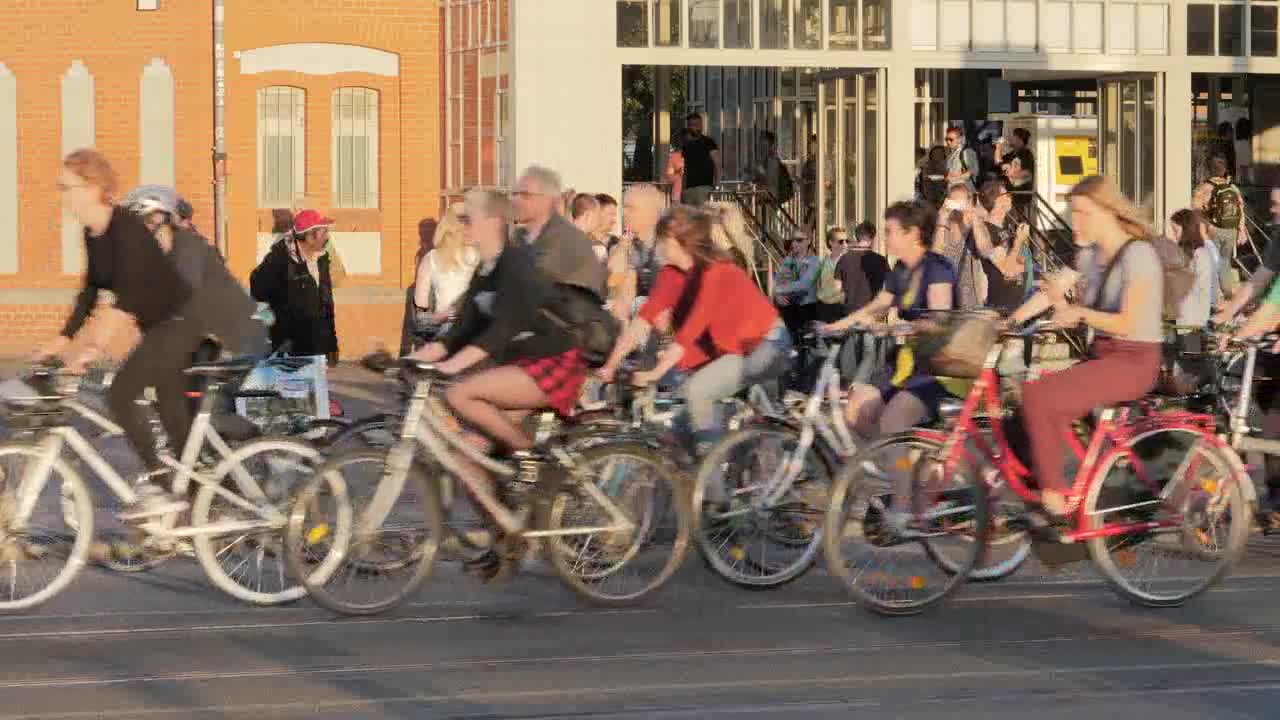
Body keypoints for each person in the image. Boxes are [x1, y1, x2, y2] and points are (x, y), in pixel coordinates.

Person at [411, 189, 588, 578]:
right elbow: (460, 332)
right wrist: (412, 360)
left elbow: (502, 329)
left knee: (461, 391)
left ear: (493, 221)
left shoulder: (515, 266)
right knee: (465, 457)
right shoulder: (486, 270)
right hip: (519, 369)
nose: (463, 225)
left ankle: (527, 455)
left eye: (468, 217)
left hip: (552, 361)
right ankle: (506, 536)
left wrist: (451, 366)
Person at [35, 150, 195, 516]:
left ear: (94, 187)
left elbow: (130, 295)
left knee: (122, 392)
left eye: (67, 187)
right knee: (176, 427)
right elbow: (92, 289)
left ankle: (161, 487)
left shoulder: (125, 228)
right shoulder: (94, 233)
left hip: (180, 324)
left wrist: (90, 347)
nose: (63, 196)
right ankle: (208, 500)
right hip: (156, 327)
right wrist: (62, 339)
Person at [1011, 175, 1164, 517]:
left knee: (1039, 396)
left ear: (1106, 212)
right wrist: (1008, 323)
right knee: (1027, 407)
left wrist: (1080, 313)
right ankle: (1073, 490)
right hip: (1102, 357)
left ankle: (1054, 500)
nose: (1074, 221)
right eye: (1072, 212)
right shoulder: (1088, 257)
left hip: (1134, 362)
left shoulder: (1138, 255)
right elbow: (1049, 294)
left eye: (1082, 213)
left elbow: (1128, 322)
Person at [631, 207, 791, 505]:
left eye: (664, 241)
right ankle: (718, 490)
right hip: (740, 350)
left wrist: (655, 371)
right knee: (685, 421)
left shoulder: (716, 272)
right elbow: (659, 317)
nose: (660, 248)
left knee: (699, 392)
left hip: (766, 346)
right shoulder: (691, 274)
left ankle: (717, 492)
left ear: (680, 242)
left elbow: (692, 328)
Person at [820, 200, 958, 441]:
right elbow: (878, 305)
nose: (885, 238)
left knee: (892, 423)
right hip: (903, 364)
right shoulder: (902, 268)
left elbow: (941, 323)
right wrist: (834, 326)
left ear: (913, 234)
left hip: (936, 370)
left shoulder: (937, 268)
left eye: (890, 231)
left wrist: (896, 328)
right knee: (854, 410)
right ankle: (891, 464)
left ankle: (902, 468)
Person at [250, 209, 344, 364]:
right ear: (309, 236)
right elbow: (258, 291)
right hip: (288, 349)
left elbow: (326, 304)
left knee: (315, 388)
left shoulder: (322, 259)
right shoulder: (279, 259)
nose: (327, 237)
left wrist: (331, 345)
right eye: (323, 232)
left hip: (317, 348)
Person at [512, 165, 606, 298]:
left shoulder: (570, 241)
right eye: (516, 194)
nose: (517, 200)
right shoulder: (519, 237)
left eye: (525, 195)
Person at [413, 203, 477, 340]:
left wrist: (443, 316)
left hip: (448, 332)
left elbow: (421, 318)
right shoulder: (479, 256)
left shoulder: (429, 259)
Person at [974, 180, 1033, 312]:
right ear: (996, 200)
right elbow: (1008, 270)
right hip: (1000, 307)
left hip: (1016, 305)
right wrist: (1018, 242)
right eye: (1006, 194)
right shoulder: (987, 231)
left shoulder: (1007, 229)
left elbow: (1020, 265)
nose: (1010, 196)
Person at [608, 183, 664, 318]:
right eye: (624, 208)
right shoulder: (622, 246)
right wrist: (621, 247)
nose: (624, 214)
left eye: (631, 208)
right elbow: (613, 282)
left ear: (651, 212)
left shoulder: (669, 246)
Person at [1200, 153, 1246, 299]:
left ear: (1210, 169)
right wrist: (1242, 230)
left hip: (1213, 229)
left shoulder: (1206, 186)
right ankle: (1227, 292)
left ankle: (1212, 295)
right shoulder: (1232, 187)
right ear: (1224, 169)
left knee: (1211, 260)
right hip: (1231, 230)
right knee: (1225, 261)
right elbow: (1240, 208)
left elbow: (1197, 209)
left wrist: (1203, 229)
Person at [934, 184, 986, 309]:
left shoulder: (975, 230)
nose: (957, 208)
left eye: (961, 203)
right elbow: (935, 258)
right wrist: (942, 218)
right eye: (953, 202)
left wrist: (973, 216)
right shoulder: (941, 230)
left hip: (971, 304)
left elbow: (985, 249)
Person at [773, 234, 820, 347]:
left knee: (807, 348)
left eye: (799, 240)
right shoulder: (788, 260)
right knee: (790, 347)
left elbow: (804, 284)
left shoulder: (814, 261)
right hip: (788, 309)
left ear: (808, 241)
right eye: (793, 240)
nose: (794, 243)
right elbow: (778, 280)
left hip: (807, 308)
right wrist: (777, 295)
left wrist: (779, 289)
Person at [679, 114, 719, 206]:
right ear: (688, 126)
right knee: (689, 218)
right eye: (692, 125)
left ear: (701, 126)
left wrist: (717, 186)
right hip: (689, 189)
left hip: (704, 188)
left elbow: (717, 164)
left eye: (697, 124)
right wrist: (682, 189)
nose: (695, 127)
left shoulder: (708, 142)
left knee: (703, 217)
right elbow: (685, 168)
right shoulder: (686, 145)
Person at [815, 228, 849, 324]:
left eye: (847, 241)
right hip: (823, 308)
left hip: (841, 309)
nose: (845, 244)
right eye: (841, 241)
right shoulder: (822, 263)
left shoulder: (849, 263)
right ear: (831, 242)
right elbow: (816, 284)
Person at [944, 127, 980, 193]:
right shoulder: (950, 155)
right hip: (952, 190)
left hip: (965, 191)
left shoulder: (967, 151)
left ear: (959, 139)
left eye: (951, 139)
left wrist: (954, 178)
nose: (948, 142)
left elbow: (974, 171)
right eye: (946, 139)